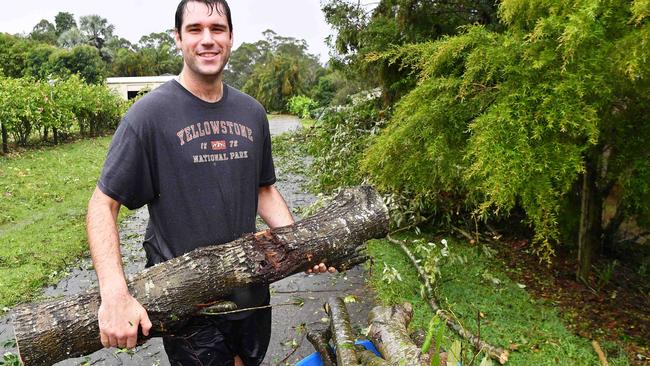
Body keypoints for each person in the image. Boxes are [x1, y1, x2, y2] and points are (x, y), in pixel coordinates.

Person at [86, 1, 334, 365]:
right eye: (195, 29)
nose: (207, 39)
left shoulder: (251, 112)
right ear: (178, 39)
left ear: (231, 38)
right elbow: (102, 204)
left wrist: (302, 245)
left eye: (217, 29)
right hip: (188, 299)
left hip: (251, 286)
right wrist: (114, 294)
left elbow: (263, 190)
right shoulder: (148, 116)